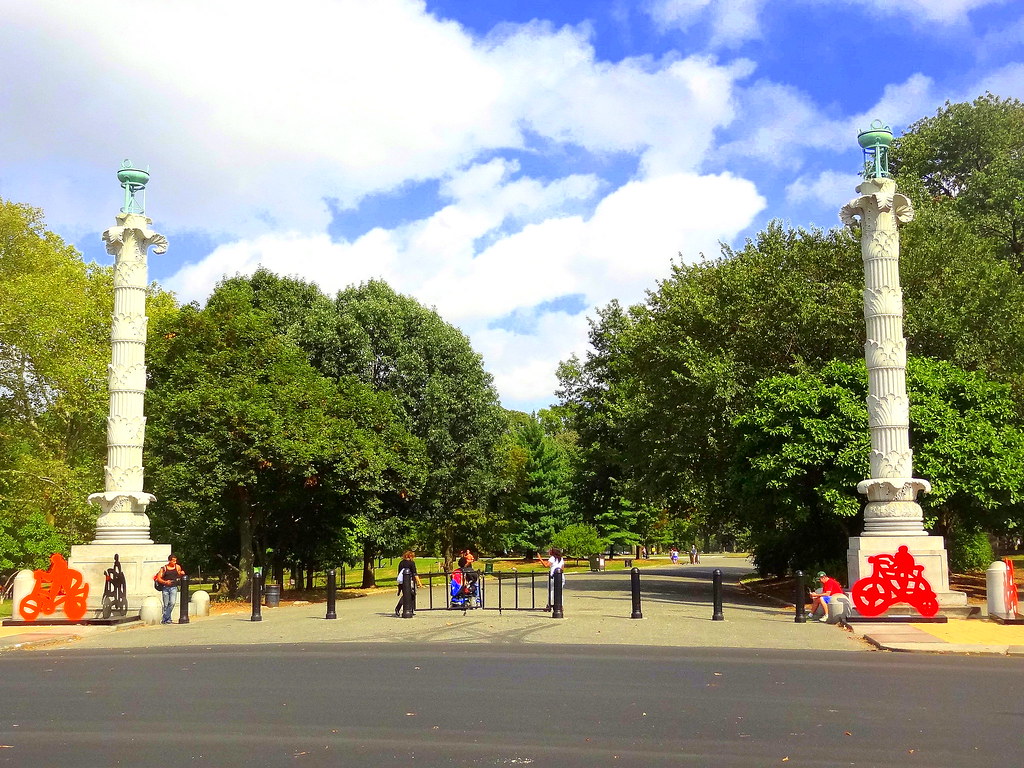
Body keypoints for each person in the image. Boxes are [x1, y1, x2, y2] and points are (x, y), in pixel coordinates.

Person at [153, 554, 185, 625]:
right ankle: (168, 620)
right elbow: (159, 578)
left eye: (175, 561)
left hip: (173, 587)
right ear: (169, 561)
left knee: (172, 603)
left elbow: (179, 575)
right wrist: (165, 582)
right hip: (165, 587)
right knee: (166, 604)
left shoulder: (177, 567)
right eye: (173, 561)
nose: (175, 562)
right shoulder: (164, 568)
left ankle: (164, 618)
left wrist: (181, 574)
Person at [395, 550, 424, 617]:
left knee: (405, 595)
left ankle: (399, 608)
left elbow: (399, 573)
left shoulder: (401, 563)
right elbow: (414, 573)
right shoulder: (411, 563)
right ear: (410, 556)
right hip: (410, 581)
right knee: (411, 594)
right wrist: (419, 582)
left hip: (402, 581)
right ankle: (410, 609)